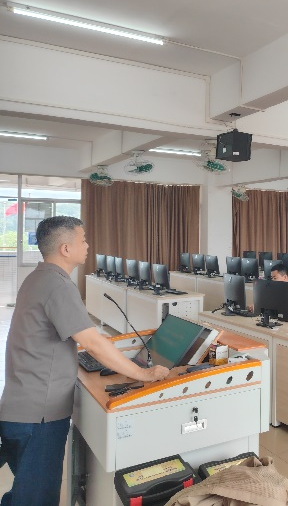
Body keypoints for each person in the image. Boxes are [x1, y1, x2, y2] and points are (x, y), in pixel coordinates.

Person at [0, 216, 169, 506]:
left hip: (20, 408)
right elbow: (92, 342)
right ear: (65, 249)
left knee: (24, 493)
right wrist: (143, 374)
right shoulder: (58, 285)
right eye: (83, 240)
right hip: (39, 416)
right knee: (35, 499)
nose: (88, 246)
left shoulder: (38, 277)